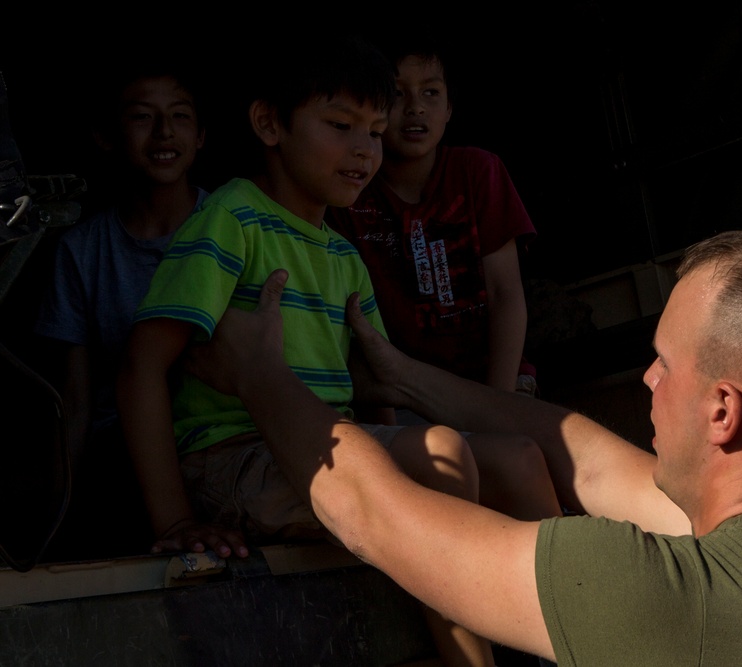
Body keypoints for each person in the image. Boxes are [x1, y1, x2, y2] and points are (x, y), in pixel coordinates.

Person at [186, 227, 742, 665]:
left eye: (665, 361)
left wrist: (262, 376)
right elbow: (586, 457)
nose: (647, 377)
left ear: (723, 411)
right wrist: (405, 379)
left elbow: (372, 513)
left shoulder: (660, 595)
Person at [116, 37, 516, 666]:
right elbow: (142, 365)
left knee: (510, 458)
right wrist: (172, 520)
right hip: (235, 461)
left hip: (327, 453)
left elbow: (372, 393)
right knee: (438, 456)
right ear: (269, 124)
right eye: (340, 126)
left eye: (377, 132)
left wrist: (382, 450)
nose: (365, 150)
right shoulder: (232, 221)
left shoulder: (341, 254)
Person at [33, 62, 208, 557]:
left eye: (180, 116)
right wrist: (53, 523)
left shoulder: (232, 226)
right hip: (124, 456)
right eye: (141, 117)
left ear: (201, 137)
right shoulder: (82, 251)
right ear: (105, 136)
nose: (164, 132)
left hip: (214, 443)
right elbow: (76, 404)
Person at [329, 34, 537, 396]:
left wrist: (499, 406)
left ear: (450, 108)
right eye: (396, 93)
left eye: (431, 93)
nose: (415, 107)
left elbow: (506, 294)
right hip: (403, 393)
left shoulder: (478, 172)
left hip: (497, 382)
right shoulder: (349, 193)